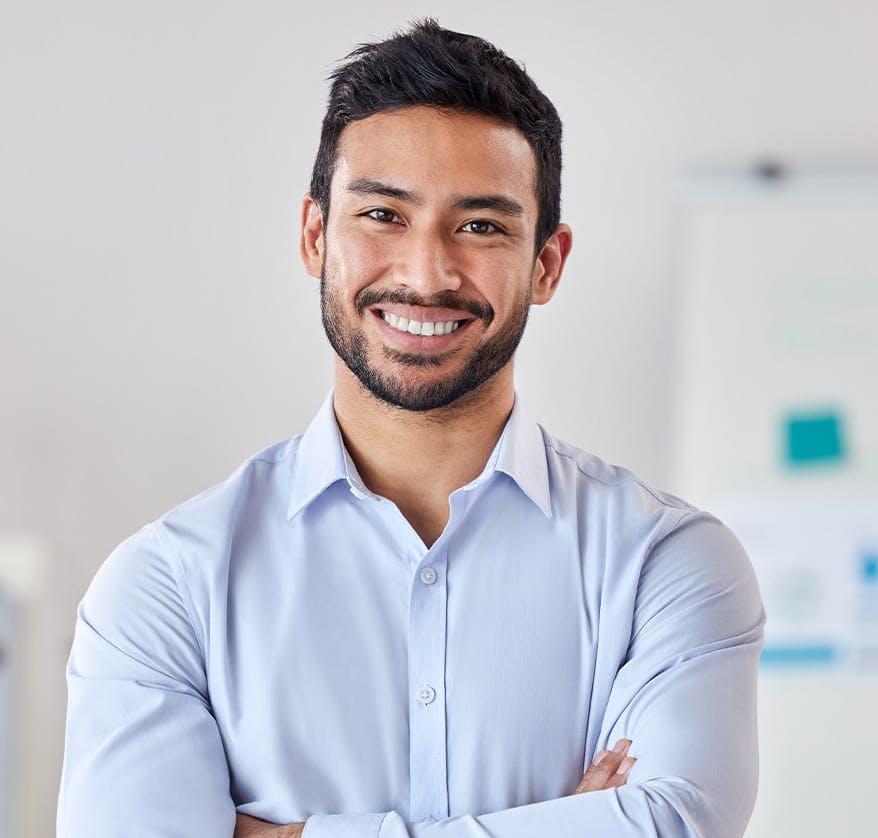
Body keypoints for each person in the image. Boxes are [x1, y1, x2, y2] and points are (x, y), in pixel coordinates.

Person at [57, 19, 765, 838]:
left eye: (480, 226)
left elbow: (671, 825)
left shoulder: (666, 566)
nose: (426, 274)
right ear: (315, 236)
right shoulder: (164, 587)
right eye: (384, 215)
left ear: (547, 263)